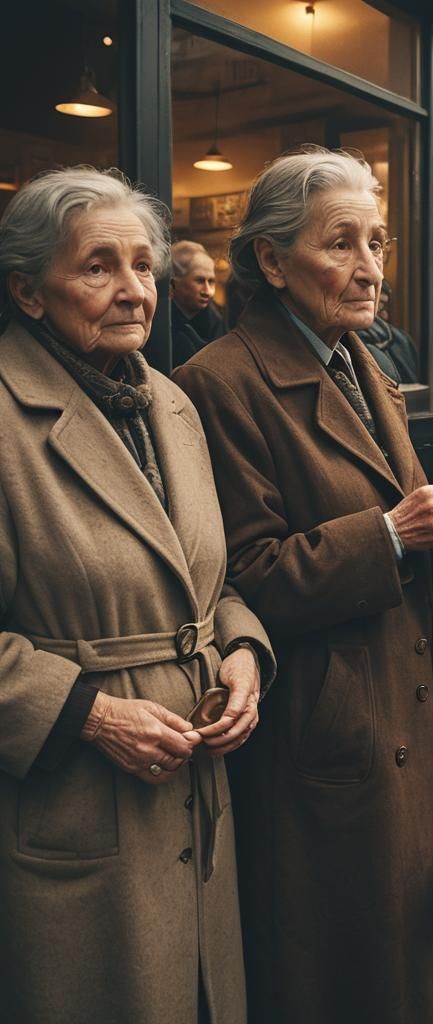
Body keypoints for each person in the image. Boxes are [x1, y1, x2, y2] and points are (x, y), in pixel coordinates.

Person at [173, 146, 433, 1024]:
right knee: (355, 972)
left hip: (423, 706)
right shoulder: (218, 384)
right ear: (271, 261)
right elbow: (240, 579)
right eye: (342, 244)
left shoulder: (364, 364)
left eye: (377, 242)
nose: (371, 267)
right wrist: (389, 531)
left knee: (430, 957)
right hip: (336, 726)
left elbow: (416, 542)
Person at [0, 166, 274, 1023]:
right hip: (75, 806)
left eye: (145, 266)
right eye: (98, 267)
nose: (133, 292)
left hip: (194, 802)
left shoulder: (171, 400)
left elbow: (208, 577)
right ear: (27, 292)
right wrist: (87, 713)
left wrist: (241, 650)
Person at [169, 240, 225, 365]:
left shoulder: (218, 323)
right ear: (174, 283)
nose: (207, 291)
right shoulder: (160, 324)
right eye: (199, 281)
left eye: (211, 281)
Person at [357, 278, 420, 383]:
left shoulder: (400, 338)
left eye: (382, 304)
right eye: (380, 303)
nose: (384, 314)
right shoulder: (346, 334)